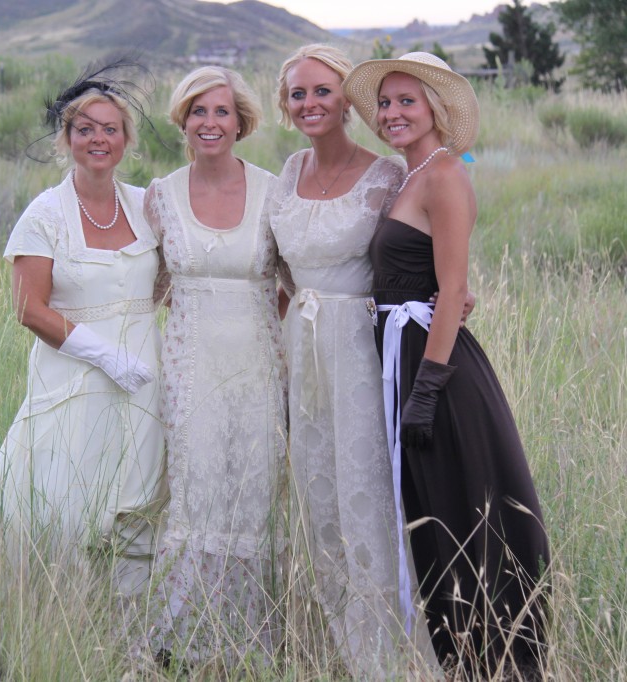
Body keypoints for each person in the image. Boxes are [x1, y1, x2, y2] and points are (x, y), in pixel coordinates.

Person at [0, 68, 166, 599]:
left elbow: (167, 279)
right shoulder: (45, 214)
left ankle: (120, 624)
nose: (98, 140)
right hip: (73, 378)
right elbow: (28, 308)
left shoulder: (146, 205)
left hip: (143, 379)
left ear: (127, 140)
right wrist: (104, 353)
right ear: (66, 140)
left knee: (134, 501)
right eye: (84, 129)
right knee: (47, 500)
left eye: (110, 129)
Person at [344, 52, 550, 678]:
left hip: (433, 366)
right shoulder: (409, 175)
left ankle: (498, 657)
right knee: (428, 509)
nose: (393, 113)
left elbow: (454, 290)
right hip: (399, 353)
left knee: (462, 504)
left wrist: (428, 391)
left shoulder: (446, 175)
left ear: (435, 108)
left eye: (408, 101)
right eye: (385, 102)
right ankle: (454, 656)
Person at [267, 44, 437, 678]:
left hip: (360, 352)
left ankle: (391, 653)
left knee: (367, 495)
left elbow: (411, 256)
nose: (309, 104)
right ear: (286, 105)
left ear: (346, 99)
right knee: (320, 500)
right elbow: (278, 267)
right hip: (300, 350)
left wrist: (451, 290)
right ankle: (344, 645)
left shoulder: (386, 175)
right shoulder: (286, 171)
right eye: (297, 94)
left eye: (321, 91)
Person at [143, 65, 289, 668]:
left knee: (252, 494)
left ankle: (249, 643)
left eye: (221, 112)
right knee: (194, 494)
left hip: (257, 367)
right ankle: (177, 642)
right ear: (182, 119)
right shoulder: (160, 194)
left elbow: (296, 280)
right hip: (188, 368)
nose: (210, 123)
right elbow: (146, 286)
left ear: (242, 121)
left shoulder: (275, 191)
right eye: (198, 111)